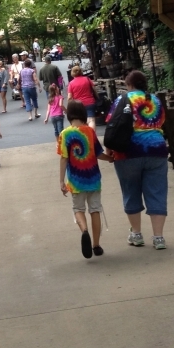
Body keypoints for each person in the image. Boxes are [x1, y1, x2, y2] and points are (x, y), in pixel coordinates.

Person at [105, 71, 169, 250]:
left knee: (130, 191)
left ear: (129, 85)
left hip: (127, 152)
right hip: (156, 151)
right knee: (157, 192)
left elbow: (113, 123)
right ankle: (159, 238)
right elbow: (161, 121)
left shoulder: (122, 100)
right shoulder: (155, 100)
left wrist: (110, 150)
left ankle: (136, 234)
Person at [59, 100, 112, 259]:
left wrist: (62, 181)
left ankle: (84, 231)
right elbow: (98, 154)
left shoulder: (65, 134)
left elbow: (63, 159)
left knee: (78, 209)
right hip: (94, 179)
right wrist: (110, 159)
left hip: (76, 181)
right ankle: (96, 245)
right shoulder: (90, 132)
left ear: (69, 115)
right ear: (83, 114)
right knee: (95, 210)